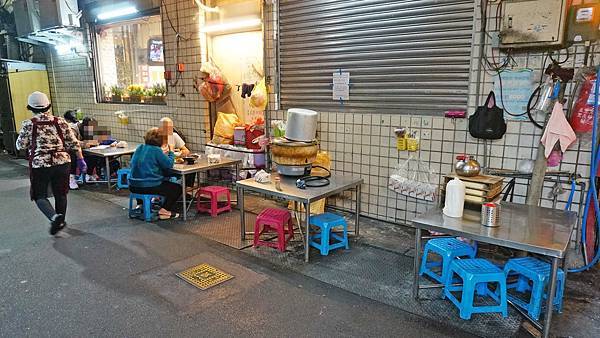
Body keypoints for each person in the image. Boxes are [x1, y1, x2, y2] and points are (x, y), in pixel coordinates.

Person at [16, 92, 87, 236]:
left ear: (30, 107)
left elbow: (20, 145)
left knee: (39, 195)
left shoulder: (29, 124)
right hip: (62, 162)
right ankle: (60, 220)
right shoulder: (61, 122)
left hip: (41, 164)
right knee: (61, 193)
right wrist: (80, 159)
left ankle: (55, 218)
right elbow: (73, 143)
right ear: (48, 105)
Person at [129, 127, 181, 220]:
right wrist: (171, 151)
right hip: (149, 186)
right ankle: (164, 210)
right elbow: (169, 164)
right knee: (176, 188)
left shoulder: (140, 148)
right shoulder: (156, 150)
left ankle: (141, 205)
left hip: (133, 186)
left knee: (147, 180)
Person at [63, 110, 82, 189]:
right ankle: (71, 178)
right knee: (73, 154)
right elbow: (73, 142)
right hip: (68, 150)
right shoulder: (72, 126)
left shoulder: (73, 125)